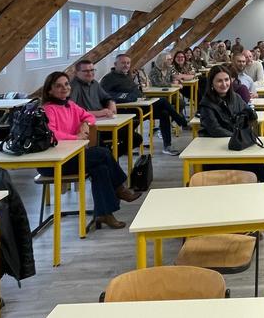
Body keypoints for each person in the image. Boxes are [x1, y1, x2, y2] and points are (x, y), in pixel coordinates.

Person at [40, 72, 140, 229]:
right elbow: (52, 135)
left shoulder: (70, 105)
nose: (64, 88)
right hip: (54, 162)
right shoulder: (48, 109)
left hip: (71, 156)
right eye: (58, 86)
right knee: (103, 153)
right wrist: (76, 137)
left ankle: (104, 214)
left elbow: (89, 117)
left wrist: (84, 123)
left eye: (66, 84)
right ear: (49, 90)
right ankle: (120, 188)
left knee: (101, 168)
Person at [101, 53, 186, 155]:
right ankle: (181, 121)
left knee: (164, 113)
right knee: (163, 101)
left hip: (139, 105)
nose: (126, 65)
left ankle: (167, 146)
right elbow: (107, 96)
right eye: (123, 63)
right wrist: (129, 97)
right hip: (125, 109)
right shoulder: (108, 79)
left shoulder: (126, 76)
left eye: (128, 63)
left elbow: (135, 91)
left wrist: (138, 95)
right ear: (115, 64)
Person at [197, 66, 264, 182]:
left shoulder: (236, 97)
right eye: (219, 81)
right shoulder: (206, 104)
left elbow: (250, 115)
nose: (224, 84)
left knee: (258, 163)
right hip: (215, 151)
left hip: (235, 146)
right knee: (255, 165)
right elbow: (215, 130)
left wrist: (250, 114)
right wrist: (238, 137)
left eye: (226, 80)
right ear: (212, 83)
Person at [70, 59, 142, 154]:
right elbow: (72, 112)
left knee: (135, 136)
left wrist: (111, 103)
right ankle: (109, 156)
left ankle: (110, 155)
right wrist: (98, 113)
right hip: (89, 128)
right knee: (132, 137)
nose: (90, 73)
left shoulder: (94, 83)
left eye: (92, 70)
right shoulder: (73, 87)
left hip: (102, 121)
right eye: (86, 71)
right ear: (76, 73)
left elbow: (107, 97)